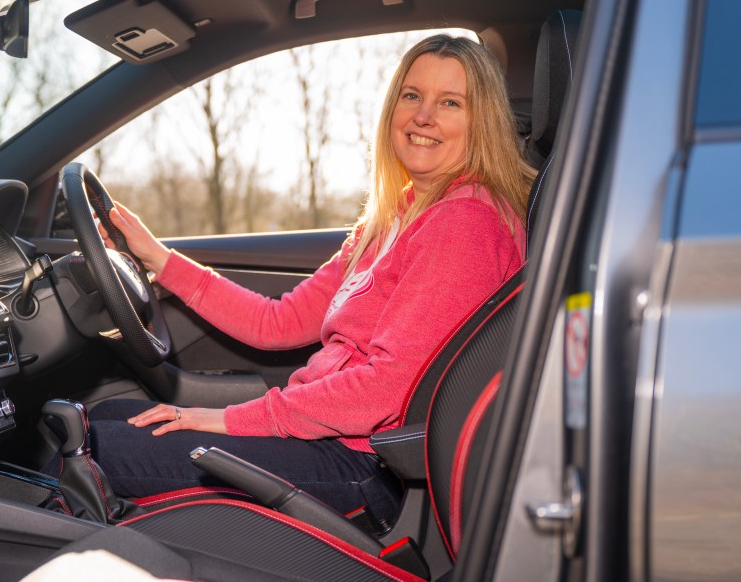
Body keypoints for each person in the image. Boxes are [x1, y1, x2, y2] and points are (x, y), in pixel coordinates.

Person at [87, 35, 535, 525]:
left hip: (362, 466)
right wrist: (158, 259)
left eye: (450, 103)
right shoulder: (391, 221)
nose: (423, 116)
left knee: (94, 448)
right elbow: (277, 322)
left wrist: (230, 420)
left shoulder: (463, 222)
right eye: (412, 95)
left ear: (482, 121)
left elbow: (387, 388)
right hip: (331, 445)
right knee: (99, 424)